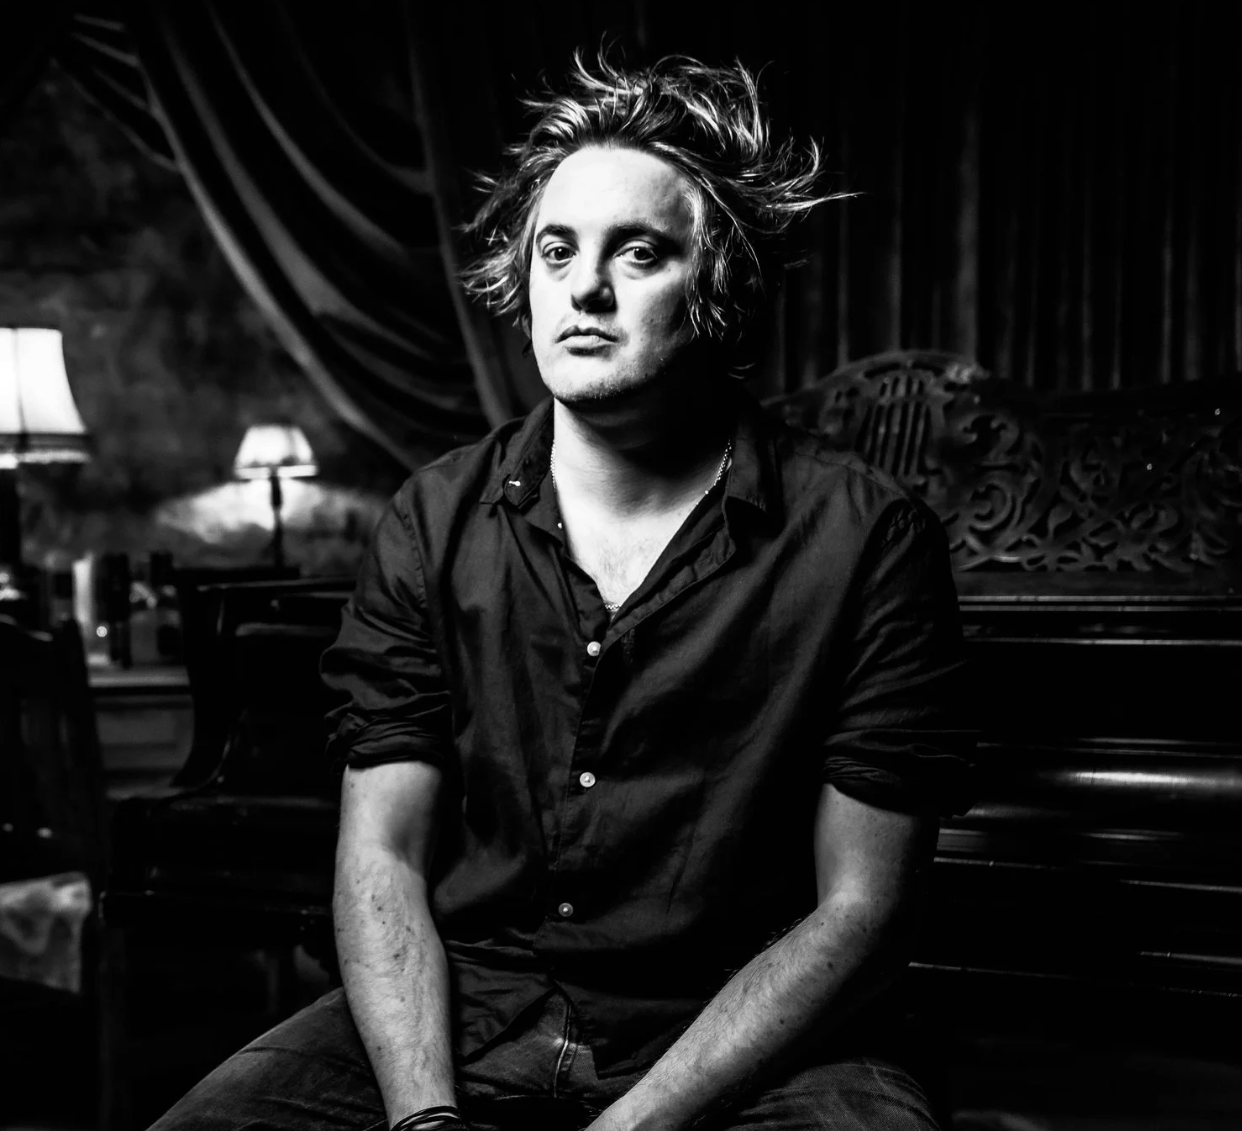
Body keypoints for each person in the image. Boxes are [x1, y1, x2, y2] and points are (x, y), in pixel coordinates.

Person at [149, 51, 971, 1131]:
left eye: (637, 253)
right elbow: (381, 856)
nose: (584, 289)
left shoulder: (868, 541)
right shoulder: (433, 520)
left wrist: (633, 1128)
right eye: (556, 250)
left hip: (750, 1040)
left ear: (717, 287)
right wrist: (424, 1117)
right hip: (462, 1013)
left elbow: (866, 907)